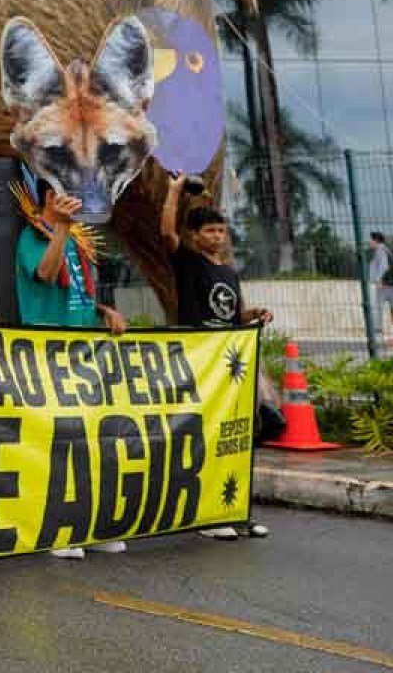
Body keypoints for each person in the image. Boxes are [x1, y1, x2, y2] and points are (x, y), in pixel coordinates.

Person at [11, 170, 128, 558]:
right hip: (49, 355)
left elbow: (76, 294)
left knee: (93, 440)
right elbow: (45, 274)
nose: (78, 202)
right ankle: (56, 529)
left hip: (85, 354)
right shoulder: (31, 238)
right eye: (69, 195)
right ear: (49, 199)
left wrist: (103, 311)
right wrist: (61, 227)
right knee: (59, 442)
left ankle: (92, 525)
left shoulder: (76, 240)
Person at [161, 172, 272, 541]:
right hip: (200, 362)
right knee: (205, 436)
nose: (217, 237)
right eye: (209, 231)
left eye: (221, 231)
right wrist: (174, 191)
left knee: (232, 440)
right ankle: (205, 516)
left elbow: (231, 316)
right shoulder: (189, 263)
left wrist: (254, 315)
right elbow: (166, 233)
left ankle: (235, 510)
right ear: (195, 236)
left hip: (228, 366)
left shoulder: (228, 273)